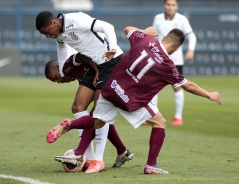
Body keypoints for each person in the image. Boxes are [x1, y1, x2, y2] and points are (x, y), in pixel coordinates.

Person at [45, 27, 222, 174]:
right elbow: (187, 85)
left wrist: (144, 31)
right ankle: (151, 165)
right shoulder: (168, 66)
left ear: (165, 36)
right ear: (176, 49)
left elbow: (127, 29)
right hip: (131, 99)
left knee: (97, 121)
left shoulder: (146, 40)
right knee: (159, 122)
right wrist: (209, 94)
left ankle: (71, 123)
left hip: (112, 87)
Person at [36, 11, 157, 172]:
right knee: (78, 107)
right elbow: (61, 46)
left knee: (99, 112)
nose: (47, 36)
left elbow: (108, 26)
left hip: (110, 61)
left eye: (46, 32)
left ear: (53, 24)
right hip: (96, 65)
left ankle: (98, 160)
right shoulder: (58, 33)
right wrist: (63, 70)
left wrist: (113, 48)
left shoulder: (76, 19)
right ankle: (86, 157)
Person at [45, 53, 133, 173]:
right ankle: (113, 152)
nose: (58, 81)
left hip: (110, 69)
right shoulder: (76, 75)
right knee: (91, 113)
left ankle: (93, 157)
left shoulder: (67, 67)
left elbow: (80, 56)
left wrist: (96, 69)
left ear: (57, 67)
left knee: (98, 112)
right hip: (105, 72)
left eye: (55, 77)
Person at [152, 0, 197, 126]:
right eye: (168, 4)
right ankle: (151, 114)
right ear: (164, 5)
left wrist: (190, 50)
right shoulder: (158, 18)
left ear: (176, 7)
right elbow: (154, 36)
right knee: (153, 87)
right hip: (159, 57)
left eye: (173, 5)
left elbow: (192, 36)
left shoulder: (182, 19)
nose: (170, 7)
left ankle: (178, 117)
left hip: (176, 60)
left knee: (177, 87)